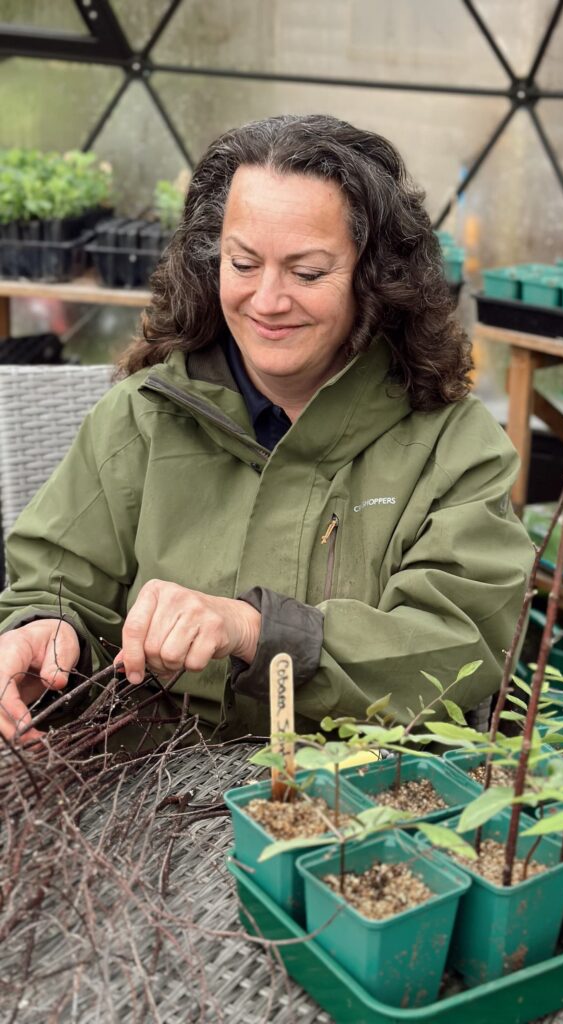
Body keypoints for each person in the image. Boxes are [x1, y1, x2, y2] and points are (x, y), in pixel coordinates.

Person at [0, 114, 534, 745]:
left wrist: (257, 630)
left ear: (376, 277)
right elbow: (58, 579)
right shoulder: (143, 415)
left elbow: (457, 648)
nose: (268, 300)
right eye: (243, 263)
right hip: (148, 790)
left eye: (307, 273)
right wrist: (47, 629)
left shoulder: (453, 446)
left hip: (354, 800)